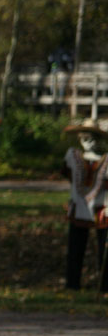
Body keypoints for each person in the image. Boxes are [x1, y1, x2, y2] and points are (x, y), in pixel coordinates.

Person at [62, 119, 108, 291]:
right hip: (78, 207)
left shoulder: (106, 161)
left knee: (104, 251)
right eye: (86, 138)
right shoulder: (72, 156)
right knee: (75, 248)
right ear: (80, 139)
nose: (90, 142)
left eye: (94, 138)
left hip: (100, 209)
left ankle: (104, 287)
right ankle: (72, 284)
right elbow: (69, 177)